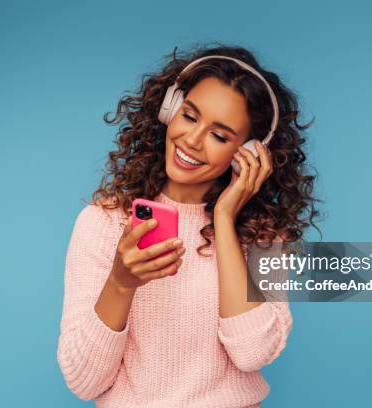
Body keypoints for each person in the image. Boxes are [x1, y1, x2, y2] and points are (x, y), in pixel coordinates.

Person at [56, 44, 319, 407]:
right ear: (169, 110)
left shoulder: (261, 238)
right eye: (190, 116)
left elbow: (253, 353)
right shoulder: (103, 224)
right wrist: (121, 282)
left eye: (220, 135)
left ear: (250, 152)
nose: (192, 141)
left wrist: (225, 220)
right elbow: (84, 381)